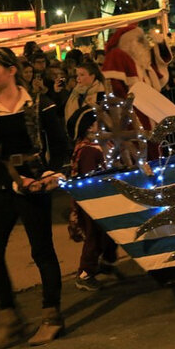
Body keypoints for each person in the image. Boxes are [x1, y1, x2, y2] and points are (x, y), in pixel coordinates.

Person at [0, 48, 69, 349]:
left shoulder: (39, 104)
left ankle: (51, 317)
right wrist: (14, 182)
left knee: (41, 250)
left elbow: (60, 145)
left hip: (36, 181)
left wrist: (53, 174)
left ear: (11, 70)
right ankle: (10, 319)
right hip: (4, 185)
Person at [65, 106, 118, 291]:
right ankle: (85, 273)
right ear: (88, 127)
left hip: (105, 198)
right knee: (94, 237)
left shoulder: (101, 144)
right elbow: (89, 177)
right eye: (96, 122)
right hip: (93, 201)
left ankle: (107, 261)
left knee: (110, 234)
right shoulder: (88, 150)